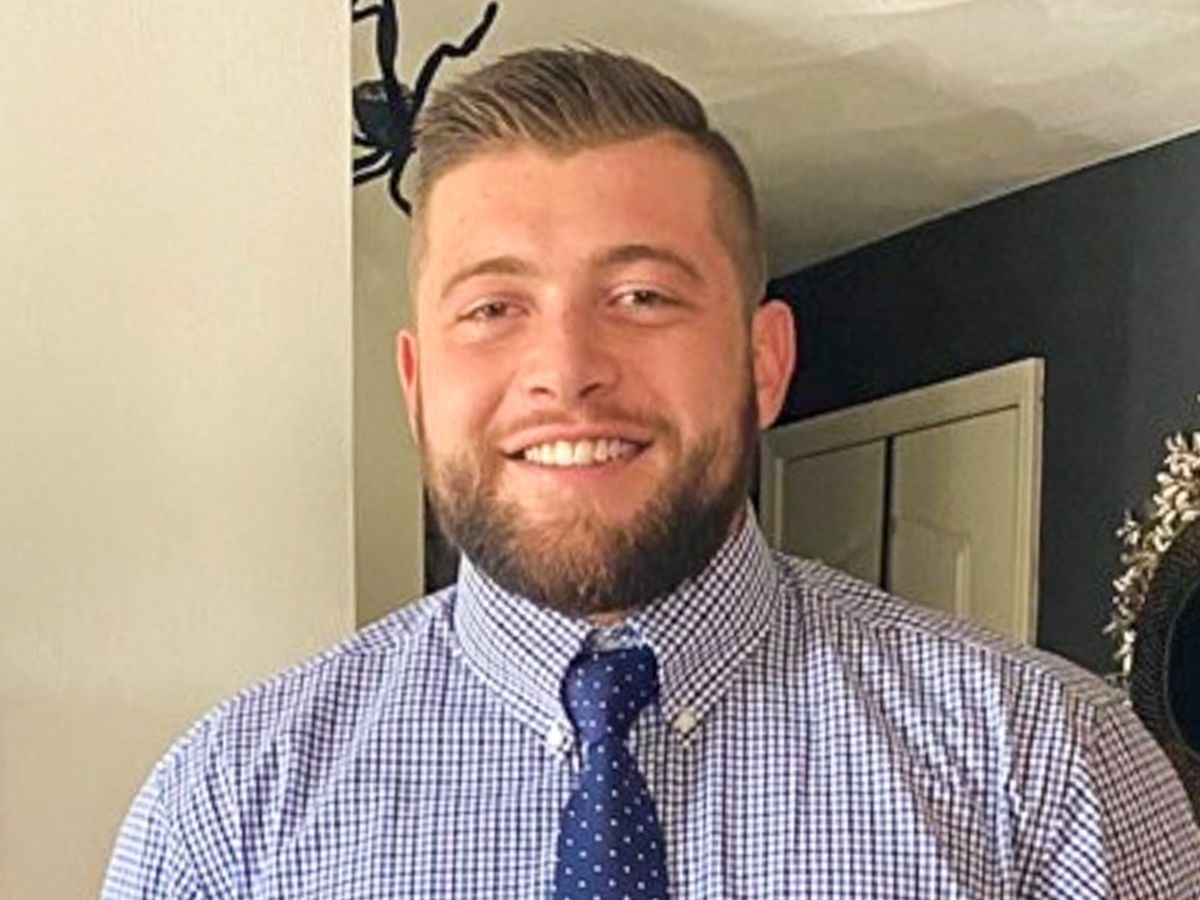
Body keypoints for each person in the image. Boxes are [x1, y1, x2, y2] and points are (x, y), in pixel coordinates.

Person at [102, 47, 1200, 899]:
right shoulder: (226, 810)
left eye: (642, 297)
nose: (566, 369)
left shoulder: (1048, 766)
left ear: (763, 361)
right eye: (493, 307)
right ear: (418, 384)